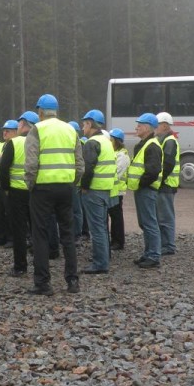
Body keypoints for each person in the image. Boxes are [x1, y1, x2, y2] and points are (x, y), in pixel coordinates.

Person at [24, 94, 84, 295]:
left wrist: (30, 185)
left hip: (42, 188)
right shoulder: (70, 129)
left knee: (40, 234)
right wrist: (72, 182)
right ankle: (72, 281)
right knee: (67, 234)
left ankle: (43, 283)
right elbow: (79, 164)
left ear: (40, 111)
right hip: (66, 187)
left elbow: (31, 163)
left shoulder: (37, 129)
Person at [0, 112, 38, 277]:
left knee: (19, 230)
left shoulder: (13, 143)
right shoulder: (39, 142)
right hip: (35, 191)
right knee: (37, 228)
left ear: (23, 124)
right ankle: (40, 262)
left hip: (16, 192)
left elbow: (3, 168)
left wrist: (6, 188)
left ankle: (20, 266)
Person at [79, 109, 116, 275]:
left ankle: (100, 263)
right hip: (105, 189)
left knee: (97, 228)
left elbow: (88, 168)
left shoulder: (91, 143)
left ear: (90, 124)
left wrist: (84, 186)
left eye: (84, 124)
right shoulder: (107, 141)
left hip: (93, 190)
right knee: (101, 226)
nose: (82, 127)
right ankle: (104, 258)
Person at [127, 113, 163, 269]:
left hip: (146, 190)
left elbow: (153, 171)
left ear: (147, 128)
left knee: (149, 223)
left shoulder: (152, 146)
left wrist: (141, 183)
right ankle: (149, 253)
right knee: (145, 223)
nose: (136, 127)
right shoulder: (145, 144)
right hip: (142, 189)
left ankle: (153, 256)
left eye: (139, 125)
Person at [0, 120, 18, 248]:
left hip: (8, 184)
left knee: (10, 212)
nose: (4, 133)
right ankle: (1, 237)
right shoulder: (0, 145)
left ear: (16, 132)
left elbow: (4, 164)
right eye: (4, 130)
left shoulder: (17, 145)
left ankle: (11, 238)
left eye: (8, 131)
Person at [155, 112, 180, 256]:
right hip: (166, 184)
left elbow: (168, 163)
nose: (155, 128)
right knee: (163, 216)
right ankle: (165, 244)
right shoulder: (165, 140)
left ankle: (168, 245)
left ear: (164, 126)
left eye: (157, 125)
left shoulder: (169, 141)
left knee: (166, 217)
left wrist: (160, 179)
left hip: (166, 184)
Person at [108, 128, 129, 251]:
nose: (109, 141)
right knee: (114, 216)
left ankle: (118, 241)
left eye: (111, 139)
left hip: (117, 190)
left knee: (116, 217)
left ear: (117, 141)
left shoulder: (122, 155)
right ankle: (114, 240)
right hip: (112, 190)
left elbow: (117, 172)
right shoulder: (115, 153)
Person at [68, 120, 86, 241]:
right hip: (72, 182)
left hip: (75, 183)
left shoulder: (81, 144)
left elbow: (80, 166)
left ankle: (77, 234)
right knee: (73, 210)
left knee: (76, 210)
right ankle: (74, 233)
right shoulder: (76, 144)